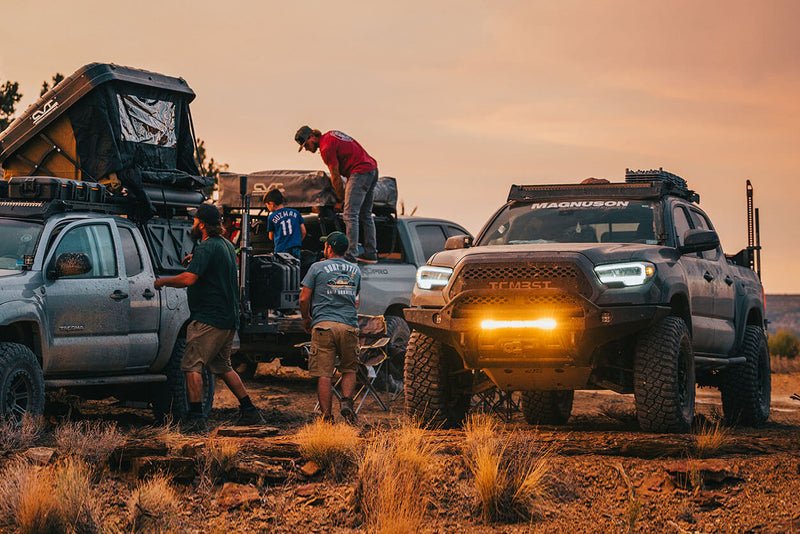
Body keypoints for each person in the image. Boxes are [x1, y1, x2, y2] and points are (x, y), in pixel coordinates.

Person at [154, 203, 264, 433]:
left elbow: (188, 280)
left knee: (191, 366)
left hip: (208, 319)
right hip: (228, 318)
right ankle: (249, 411)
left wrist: (162, 282)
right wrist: (196, 259)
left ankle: (196, 419)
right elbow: (215, 268)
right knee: (223, 366)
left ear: (202, 225)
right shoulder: (224, 244)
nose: (193, 224)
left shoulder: (207, 247)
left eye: (195, 220)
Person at [299, 231, 361, 424]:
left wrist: (306, 319)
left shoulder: (317, 267)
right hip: (349, 325)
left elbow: (303, 298)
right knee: (349, 368)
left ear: (330, 248)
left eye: (325, 245)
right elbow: (355, 299)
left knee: (324, 374)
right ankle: (346, 403)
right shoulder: (356, 270)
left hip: (324, 325)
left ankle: (327, 417)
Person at [295, 125, 379, 264]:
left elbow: (335, 177)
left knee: (350, 215)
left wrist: (341, 199)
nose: (307, 149)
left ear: (312, 137)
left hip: (359, 171)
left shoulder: (326, 148)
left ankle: (351, 256)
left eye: (306, 144)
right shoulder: (331, 135)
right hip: (372, 169)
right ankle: (371, 253)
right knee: (365, 215)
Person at [265, 188, 306, 259]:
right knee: (295, 267)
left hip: (281, 249)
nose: (267, 208)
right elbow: (303, 231)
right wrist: (297, 242)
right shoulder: (296, 213)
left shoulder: (271, 217)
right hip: (295, 247)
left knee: (283, 269)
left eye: (267, 205)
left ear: (271, 203)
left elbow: (271, 237)